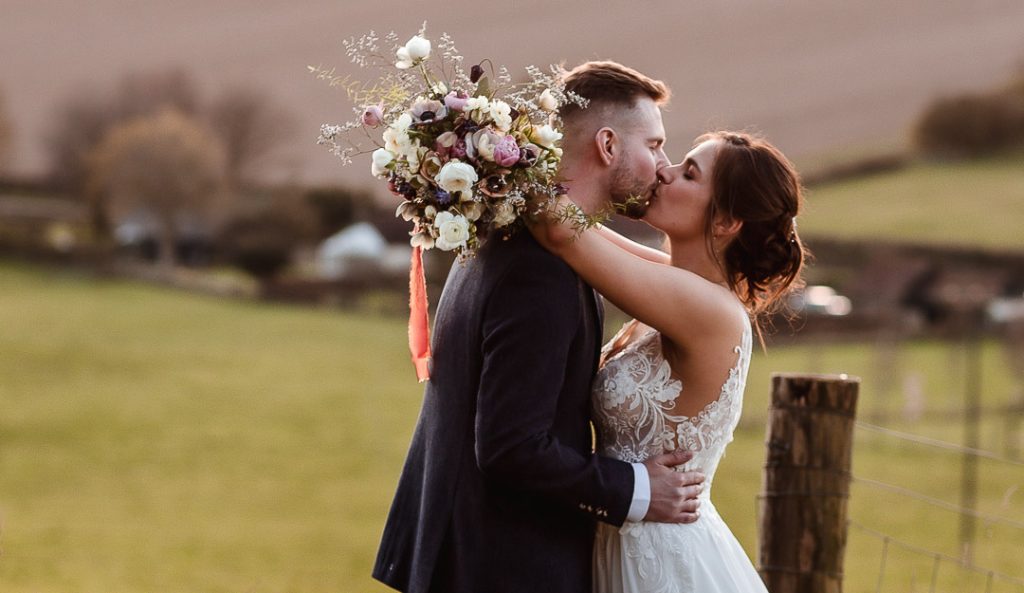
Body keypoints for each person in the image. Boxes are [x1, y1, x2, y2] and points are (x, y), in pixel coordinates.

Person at [372, 62, 707, 593]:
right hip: (501, 567)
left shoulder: (514, 232)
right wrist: (636, 490)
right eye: (656, 144)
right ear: (607, 145)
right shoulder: (539, 270)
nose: (663, 166)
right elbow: (511, 445)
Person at [531, 130, 807, 593]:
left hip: (664, 559)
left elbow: (560, 229)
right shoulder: (677, 284)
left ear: (726, 222)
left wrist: (489, 151)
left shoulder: (712, 311)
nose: (664, 170)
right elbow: (581, 225)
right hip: (624, 535)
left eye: (689, 174)